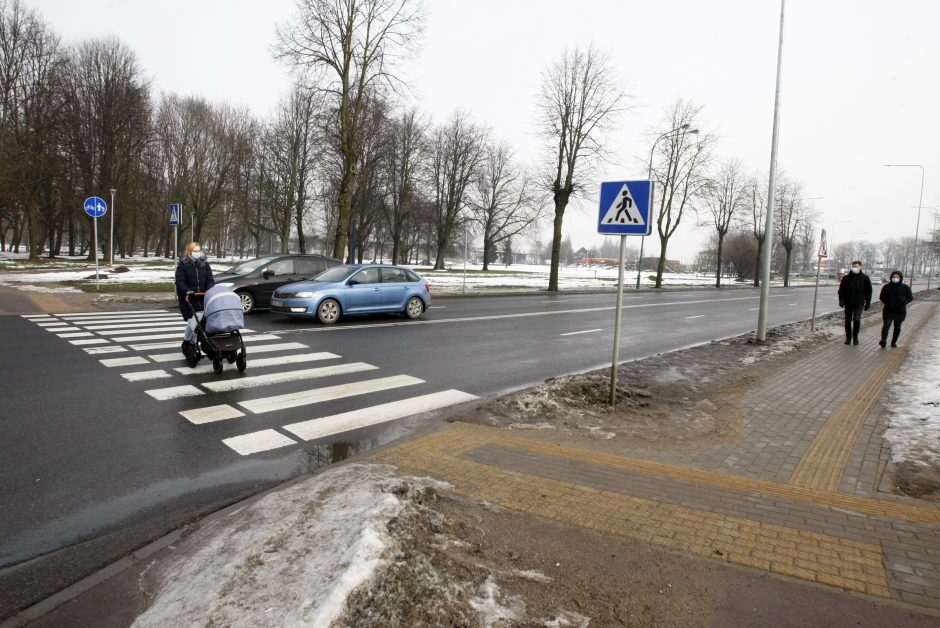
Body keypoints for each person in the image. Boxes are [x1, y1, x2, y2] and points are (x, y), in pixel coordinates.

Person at [175, 242, 215, 321]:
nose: (197, 253)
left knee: (203, 323)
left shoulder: (205, 264)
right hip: (189, 299)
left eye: (198, 251)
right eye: (195, 251)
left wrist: (208, 290)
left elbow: (210, 279)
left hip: (203, 298)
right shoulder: (183, 265)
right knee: (192, 323)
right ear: (190, 252)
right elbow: (180, 281)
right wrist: (188, 291)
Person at [837, 260, 872, 345]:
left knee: (856, 319)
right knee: (847, 321)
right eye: (853, 266)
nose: (854, 268)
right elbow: (841, 291)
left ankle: (855, 337)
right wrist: (841, 300)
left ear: (860, 267)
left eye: (856, 266)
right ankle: (848, 338)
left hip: (859, 303)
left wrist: (868, 302)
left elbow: (869, 291)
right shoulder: (846, 278)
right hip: (848, 302)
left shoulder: (865, 278)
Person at [878, 271, 914, 348]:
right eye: (894, 277)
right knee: (886, 325)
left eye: (897, 277)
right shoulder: (886, 287)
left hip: (900, 311)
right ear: (891, 278)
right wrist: (888, 302)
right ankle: (883, 341)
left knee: (897, 327)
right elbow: (881, 297)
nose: (895, 278)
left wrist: (904, 303)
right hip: (888, 310)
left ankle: (893, 342)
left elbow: (910, 298)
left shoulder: (905, 287)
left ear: (900, 278)